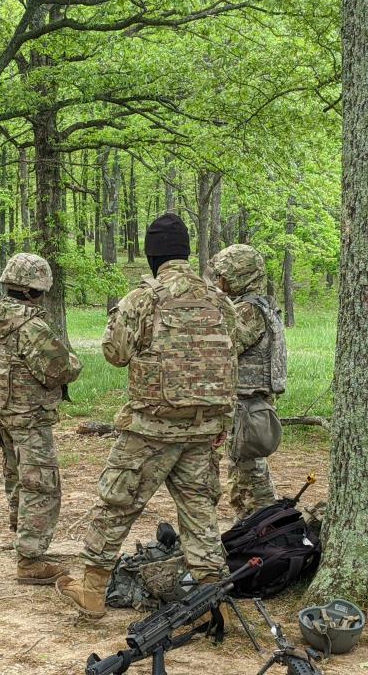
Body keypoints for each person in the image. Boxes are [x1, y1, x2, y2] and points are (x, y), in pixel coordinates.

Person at [56, 213, 239, 619]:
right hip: (203, 427)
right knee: (199, 512)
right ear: (187, 252)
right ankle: (213, 602)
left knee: (116, 502)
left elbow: (115, 354)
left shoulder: (144, 298)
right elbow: (234, 348)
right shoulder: (218, 299)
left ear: (151, 254)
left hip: (151, 429)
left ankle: (91, 589)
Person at [0, 253, 83, 585]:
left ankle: (19, 531)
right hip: (29, 417)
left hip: (2, 413)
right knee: (41, 487)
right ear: (32, 291)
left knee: (17, 477)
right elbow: (59, 369)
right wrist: (74, 362)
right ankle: (30, 559)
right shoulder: (30, 325)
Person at [208, 244, 287, 520]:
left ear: (242, 276)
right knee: (246, 473)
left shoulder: (248, 310)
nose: (220, 282)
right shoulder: (260, 306)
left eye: (225, 276)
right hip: (251, 406)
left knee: (249, 477)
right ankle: (257, 527)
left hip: (247, 406)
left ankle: (263, 528)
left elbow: (225, 347)